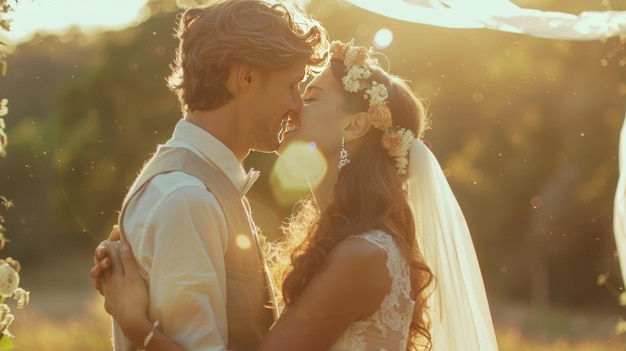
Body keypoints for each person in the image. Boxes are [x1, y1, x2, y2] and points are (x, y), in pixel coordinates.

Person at [96, 40, 500, 350]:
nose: (292, 108)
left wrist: (135, 323)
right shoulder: (345, 241)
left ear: (356, 125)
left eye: (309, 97)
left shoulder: (363, 254)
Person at [89, 0, 329, 350]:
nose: (297, 106)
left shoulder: (199, 186)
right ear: (245, 77)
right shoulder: (186, 199)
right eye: (291, 86)